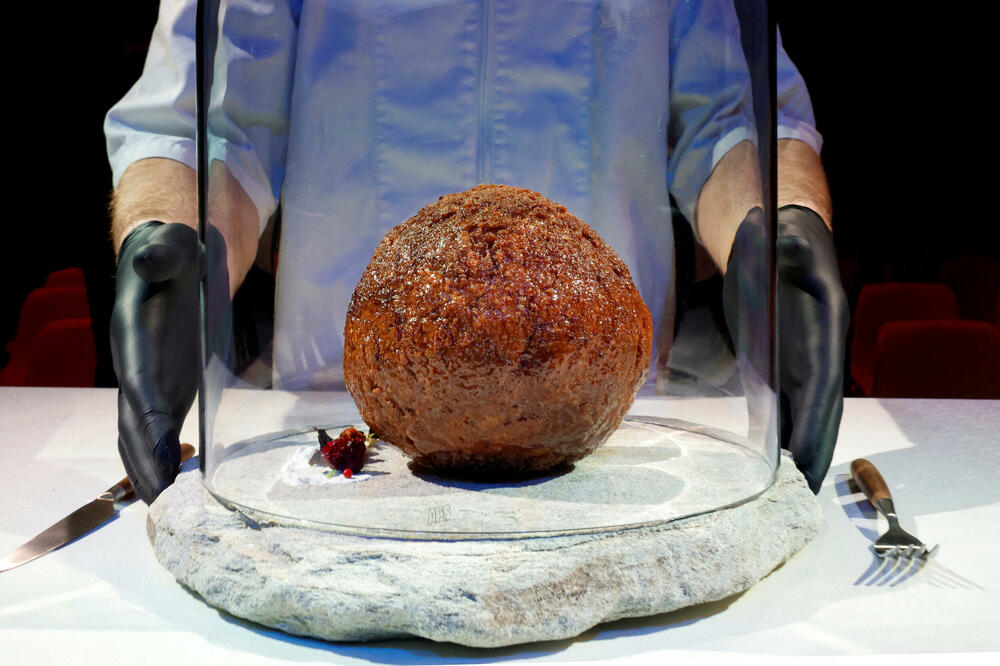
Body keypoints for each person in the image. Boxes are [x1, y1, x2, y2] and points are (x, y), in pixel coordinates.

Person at [106, 0, 847, 503]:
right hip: (338, 413)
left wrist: (776, 228)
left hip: (611, 419)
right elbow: (206, 119)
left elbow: (731, 117)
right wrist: (171, 235)